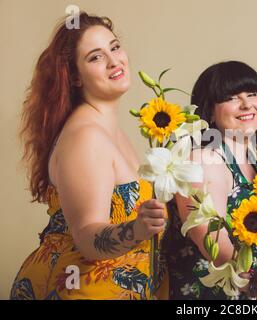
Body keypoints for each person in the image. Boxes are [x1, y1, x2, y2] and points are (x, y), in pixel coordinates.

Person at [10, 12, 167, 300]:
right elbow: (86, 236)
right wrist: (137, 229)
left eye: (115, 47)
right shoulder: (86, 136)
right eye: (95, 57)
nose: (114, 61)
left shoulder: (109, 128)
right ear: (75, 78)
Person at [162, 61, 257, 299]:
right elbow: (212, 243)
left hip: (246, 292)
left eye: (252, 94)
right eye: (231, 97)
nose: (246, 104)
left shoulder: (253, 162)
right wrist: (256, 282)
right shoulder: (205, 158)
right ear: (210, 111)